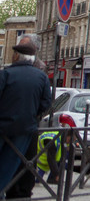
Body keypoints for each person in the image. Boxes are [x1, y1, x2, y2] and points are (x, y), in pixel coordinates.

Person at [0, 36, 52, 196]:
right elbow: (46, 103)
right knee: (18, 163)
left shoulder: (6, 74)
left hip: (3, 126)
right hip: (26, 128)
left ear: (16, 56)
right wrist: (32, 114)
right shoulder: (41, 76)